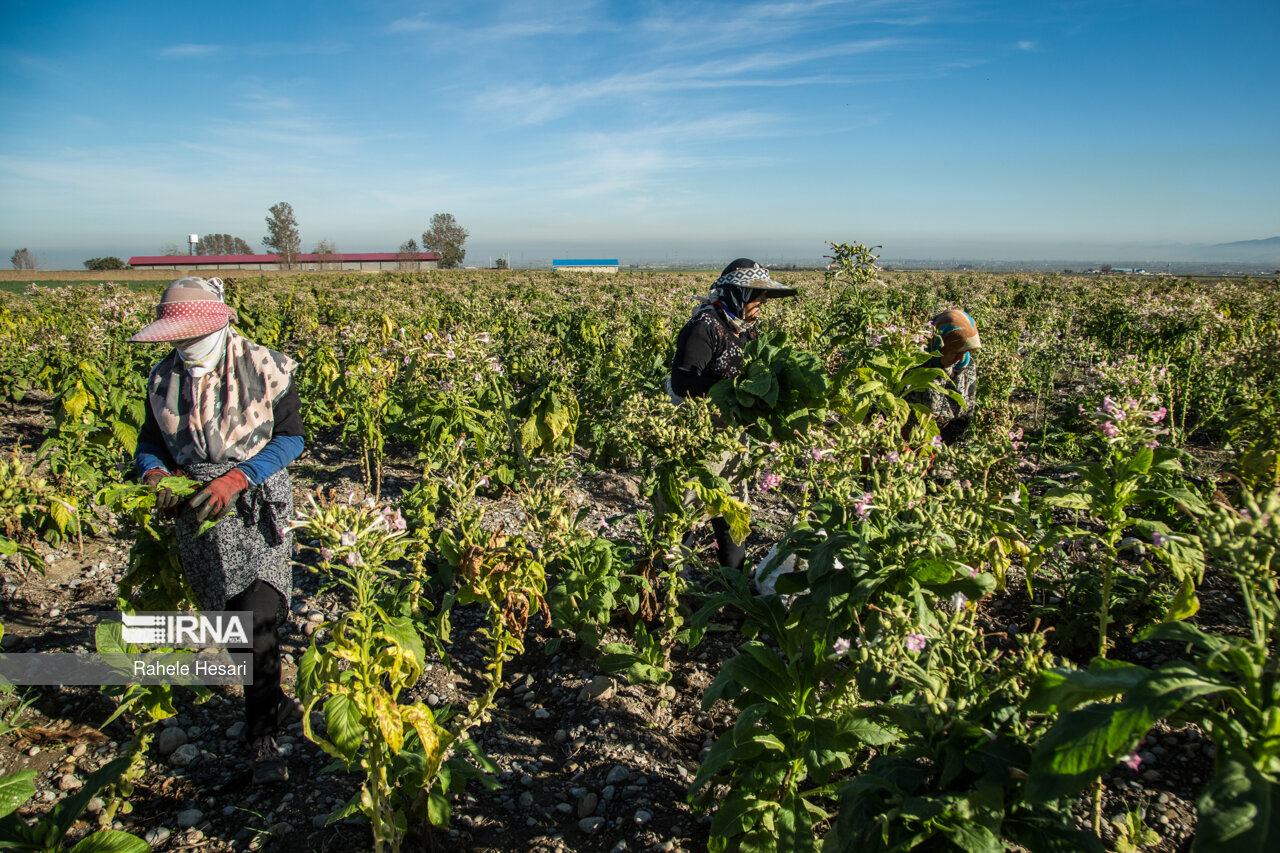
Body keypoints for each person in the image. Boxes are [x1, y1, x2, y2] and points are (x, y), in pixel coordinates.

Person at [129, 277, 304, 785]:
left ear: (217, 324)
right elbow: (149, 443)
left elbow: (292, 439)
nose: (180, 345)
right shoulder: (162, 379)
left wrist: (237, 477)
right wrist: (155, 474)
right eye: (174, 337)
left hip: (255, 499)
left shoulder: (267, 367)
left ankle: (262, 739)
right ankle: (270, 697)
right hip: (198, 508)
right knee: (227, 619)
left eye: (187, 335)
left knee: (260, 615)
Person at [666, 258, 797, 568]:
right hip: (697, 432)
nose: (763, 302)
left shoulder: (746, 330)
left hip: (730, 435)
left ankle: (735, 588)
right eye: (757, 294)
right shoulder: (705, 326)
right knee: (687, 511)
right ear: (737, 294)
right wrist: (733, 389)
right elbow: (683, 379)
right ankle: (674, 593)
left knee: (732, 510)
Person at [909, 309, 981, 443]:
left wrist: (943, 443)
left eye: (965, 351)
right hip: (909, 438)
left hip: (942, 438)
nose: (961, 358)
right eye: (954, 352)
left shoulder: (967, 364)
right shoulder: (915, 362)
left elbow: (966, 412)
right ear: (939, 345)